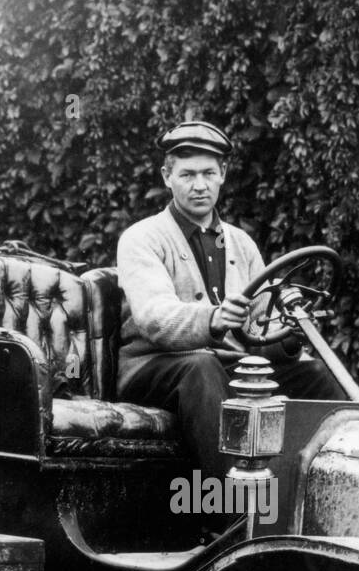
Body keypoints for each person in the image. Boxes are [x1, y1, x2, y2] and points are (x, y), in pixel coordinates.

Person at [116, 120, 346, 487]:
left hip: (226, 369)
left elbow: (259, 328)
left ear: (223, 174)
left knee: (314, 375)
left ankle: (333, 487)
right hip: (155, 368)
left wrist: (287, 333)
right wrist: (214, 319)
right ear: (166, 177)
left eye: (209, 173)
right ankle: (234, 514)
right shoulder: (142, 238)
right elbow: (153, 318)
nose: (199, 185)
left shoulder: (242, 244)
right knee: (201, 368)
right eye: (187, 174)